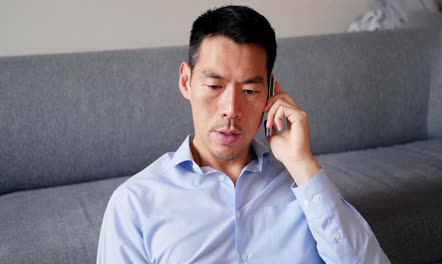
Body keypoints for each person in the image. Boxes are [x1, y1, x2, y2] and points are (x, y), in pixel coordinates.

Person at [97, 5, 390, 263]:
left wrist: (302, 164)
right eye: (214, 86)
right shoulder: (134, 203)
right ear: (186, 81)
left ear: (271, 92)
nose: (231, 109)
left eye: (249, 90)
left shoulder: (304, 188)